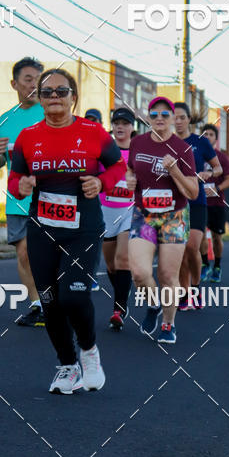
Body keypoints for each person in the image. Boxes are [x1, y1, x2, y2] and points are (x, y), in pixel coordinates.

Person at [8, 70, 125, 394]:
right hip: (43, 229)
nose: (55, 96)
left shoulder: (93, 132)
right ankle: (68, 366)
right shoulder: (28, 137)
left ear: (74, 96)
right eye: (47, 92)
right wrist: (23, 185)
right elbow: (13, 182)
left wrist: (101, 182)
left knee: (74, 296)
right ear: (40, 98)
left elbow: (118, 167)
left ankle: (89, 352)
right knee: (50, 301)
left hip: (83, 228)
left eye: (62, 90)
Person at [127, 97, 198, 344]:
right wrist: (129, 179)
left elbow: (193, 192)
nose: (159, 118)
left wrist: (175, 170)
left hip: (174, 217)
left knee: (168, 275)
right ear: (148, 117)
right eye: (154, 114)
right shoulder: (137, 142)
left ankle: (169, 324)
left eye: (165, 114)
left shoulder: (183, 149)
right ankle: (154, 304)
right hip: (144, 216)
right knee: (139, 272)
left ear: (172, 118)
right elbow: (130, 168)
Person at [0, 57, 45, 326]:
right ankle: (38, 304)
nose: (34, 85)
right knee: (24, 253)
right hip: (17, 199)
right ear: (14, 83)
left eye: (38, 79)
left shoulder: (50, 114)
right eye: (28, 79)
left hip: (49, 197)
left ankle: (54, 300)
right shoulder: (5, 119)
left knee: (48, 254)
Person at [173, 103, 221, 309]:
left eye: (182, 117)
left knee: (192, 246)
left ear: (189, 119)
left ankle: (196, 288)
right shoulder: (166, 142)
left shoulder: (200, 142)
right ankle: (184, 294)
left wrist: (209, 173)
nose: (178, 121)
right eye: (174, 117)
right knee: (182, 250)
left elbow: (218, 167)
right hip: (175, 202)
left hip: (197, 200)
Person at [99, 106, 135, 330]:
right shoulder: (104, 151)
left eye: (125, 123)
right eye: (116, 123)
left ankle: (119, 308)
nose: (120, 126)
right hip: (105, 210)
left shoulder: (138, 152)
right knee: (111, 265)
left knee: (123, 259)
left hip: (130, 210)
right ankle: (121, 292)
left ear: (132, 127)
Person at [200, 123, 229, 283]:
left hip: (217, 204)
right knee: (198, 235)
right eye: (204, 134)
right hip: (199, 203)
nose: (207, 137)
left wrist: (217, 188)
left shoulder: (221, 157)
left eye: (210, 135)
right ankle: (205, 263)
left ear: (215, 139)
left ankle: (217, 267)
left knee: (216, 237)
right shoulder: (195, 155)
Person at [84, 109, 104, 291]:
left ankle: (91, 275)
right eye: (88, 120)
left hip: (101, 200)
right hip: (77, 199)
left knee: (94, 239)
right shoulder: (77, 141)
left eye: (95, 121)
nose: (91, 123)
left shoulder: (105, 144)